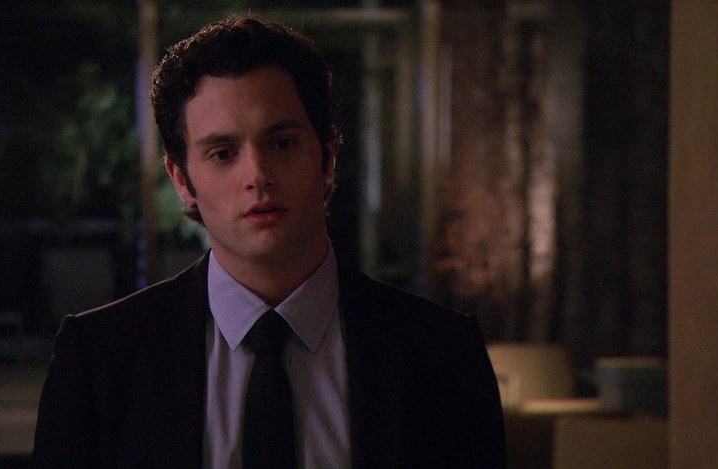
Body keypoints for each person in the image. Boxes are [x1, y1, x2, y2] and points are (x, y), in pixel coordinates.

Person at [32, 14, 506, 468]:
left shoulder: (442, 354)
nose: (257, 175)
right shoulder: (100, 358)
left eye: (282, 144)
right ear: (181, 179)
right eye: (223, 153)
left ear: (327, 159)